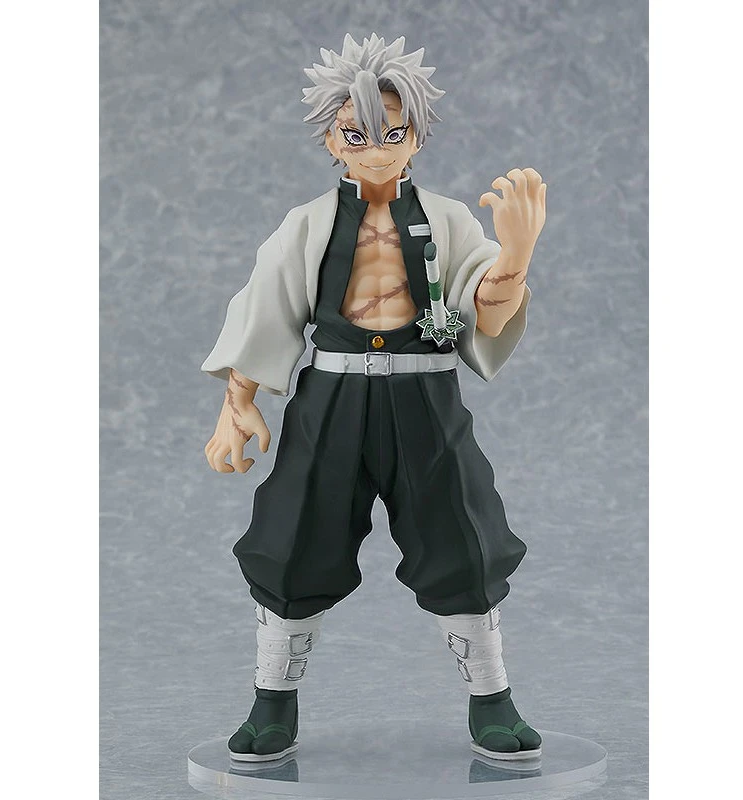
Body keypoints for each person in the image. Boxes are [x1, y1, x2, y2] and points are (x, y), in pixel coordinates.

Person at [202, 33, 547, 763]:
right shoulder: (308, 225)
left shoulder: (449, 220)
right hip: (332, 397)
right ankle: (271, 702)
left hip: (426, 398)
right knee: (294, 534)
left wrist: (515, 258)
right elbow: (268, 305)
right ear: (332, 140)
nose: (377, 149)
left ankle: (493, 698)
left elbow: (485, 308)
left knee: (462, 534)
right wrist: (238, 401)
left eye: (392, 132)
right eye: (356, 135)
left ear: (416, 134)